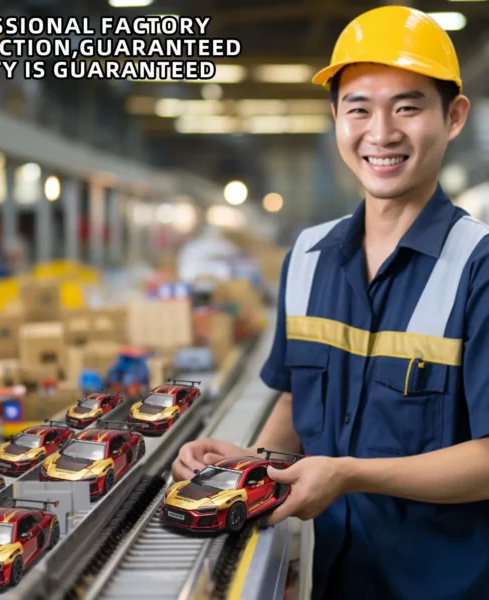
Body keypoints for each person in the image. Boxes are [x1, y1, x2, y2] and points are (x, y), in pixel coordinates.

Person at [172, 6, 489, 599]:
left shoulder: (479, 267)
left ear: (453, 118)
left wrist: (345, 475)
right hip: (338, 577)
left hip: (446, 584)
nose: (382, 132)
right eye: (359, 107)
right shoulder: (309, 256)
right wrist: (250, 462)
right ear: (336, 118)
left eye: (408, 106)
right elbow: (298, 399)